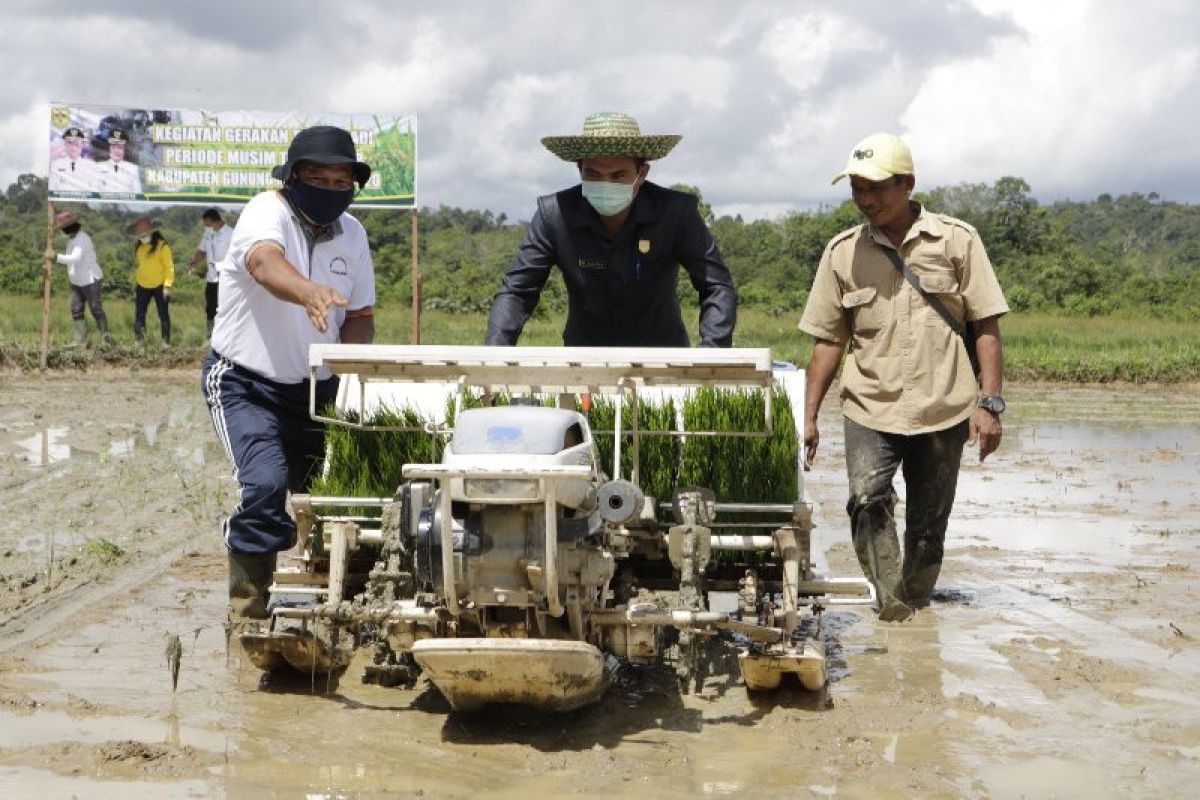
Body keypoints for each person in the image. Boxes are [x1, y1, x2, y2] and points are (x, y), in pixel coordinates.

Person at [798, 132, 1009, 622]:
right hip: (871, 405)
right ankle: (892, 605)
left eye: (876, 188)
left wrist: (989, 404)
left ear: (908, 184)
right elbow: (829, 340)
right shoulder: (841, 253)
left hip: (945, 405)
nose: (865, 201)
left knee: (929, 526)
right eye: (856, 189)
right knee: (867, 500)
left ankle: (914, 598)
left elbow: (986, 326)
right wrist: (808, 416)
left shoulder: (957, 241)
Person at [200, 125, 376, 622]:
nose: (329, 188)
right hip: (246, 383)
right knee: (265, 485)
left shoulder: (354, 235)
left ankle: (340, 603)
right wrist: (309, 293)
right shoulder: (265, 211)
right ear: (292, 177)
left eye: (341, 181)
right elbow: (263, 263)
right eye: (317, 177)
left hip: (319, 390)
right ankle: (249, 612)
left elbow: (359, 315)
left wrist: (354, 366)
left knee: (344, 494)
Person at [485, 111, 736, 347]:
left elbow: (716, 286)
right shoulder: (554, 215)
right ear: (579, 170)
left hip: (662, 360)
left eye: (618, 176)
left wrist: (711, 356)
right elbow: (517, 292)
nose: (605, 183)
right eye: (593, 174)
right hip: (584, 363)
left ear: (642, 173)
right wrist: (494, 357)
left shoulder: (675, 213)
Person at [48, 210, 109, 345]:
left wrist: (56, 257)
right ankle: (80, 340)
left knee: (95, 308)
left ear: (69, 228)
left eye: (62, 229)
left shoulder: (82, 238)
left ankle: (106, 339)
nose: (61, 232)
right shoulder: (71, 240)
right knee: (76, 309)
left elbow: (75, 258)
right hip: (77, 282)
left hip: (90, 280)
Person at [128, 217, 174, 346]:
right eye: (140, 235)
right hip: (142, 284)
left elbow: (169, 267)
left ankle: (165, 342)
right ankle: (139, 341)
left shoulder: (163, 246)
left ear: (152, 232)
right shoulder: (138, 246)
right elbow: (141, 265)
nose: (142, 237)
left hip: (160, 285)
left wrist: (167, 285)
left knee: (163, 313)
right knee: (139, 314)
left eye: (144, 234)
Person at [188, 208, 232, 337]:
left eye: (208, 224)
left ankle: (225, 336)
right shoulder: (208, 233)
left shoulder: (231, 234)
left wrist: (221, 266)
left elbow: (235, 257)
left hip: (226, 278)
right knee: (210, 307)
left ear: (217, 222)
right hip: (212, 277)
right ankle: (210, 335)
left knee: (224, 308)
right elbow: (202, 250)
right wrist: (194, 263)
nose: (206, 227)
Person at [93, 128, 143, 196]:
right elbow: (94, 195)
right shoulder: (98, 167)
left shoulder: (133, 169)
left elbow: (137, 195)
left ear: (124, 150)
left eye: (120, 148)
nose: (117, 151)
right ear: (109, 149)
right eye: (113, 147)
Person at [48, 126, 95, 193]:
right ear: (65, 145)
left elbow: (93, 190)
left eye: (76, 144)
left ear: (82, 145)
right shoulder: (56, 164)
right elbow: (52, 190)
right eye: (70, 144)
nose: (73, 148)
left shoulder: (89, 165)